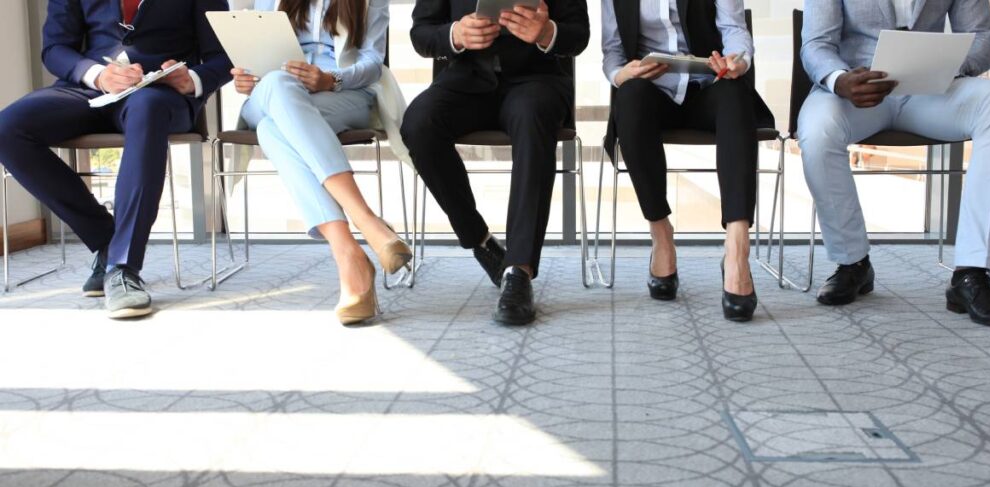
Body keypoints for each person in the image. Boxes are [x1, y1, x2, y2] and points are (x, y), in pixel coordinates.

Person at [0, 0, 233, 319]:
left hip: (161, 94)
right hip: (90, 89)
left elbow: (224, 55)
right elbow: (55, 48)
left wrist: (192, 78)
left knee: (147, 108)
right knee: (8, 129)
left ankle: (123, 267)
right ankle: (106, 240)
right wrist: (97, 75)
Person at [800, 0, 990, 328]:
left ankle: (972, 273)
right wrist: (840, 80)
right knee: (817, 130)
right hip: (857, 92)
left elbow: (982, 39)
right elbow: (816, 44)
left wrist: (945, 68)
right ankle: (853, 263)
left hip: (932, 92)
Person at [401, 0, 589, 326]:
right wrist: (455, 35)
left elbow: (579, 35)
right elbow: (421, 34)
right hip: (465, 80)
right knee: (418, 124)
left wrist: (547, 32)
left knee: (532, 118)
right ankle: (481, 241)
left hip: (537, 81)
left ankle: (519, 271)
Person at [231, 0, 411, 325]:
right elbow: (253, 55)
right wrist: (245, 79)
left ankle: (348, 255)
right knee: (275, 85)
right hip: (270, 93)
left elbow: (373, 62)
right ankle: (368, 221)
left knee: (273, 129)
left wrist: (331, 79)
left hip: (341, 94)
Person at [602, 0, 774, 322]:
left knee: (736, 92)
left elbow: (734, 31)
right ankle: (661, 234)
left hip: (709, 87)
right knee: (630, 97)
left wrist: (738, 60)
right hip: (653, 94)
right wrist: (621, 73)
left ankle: (737, 249)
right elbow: (612, 50)